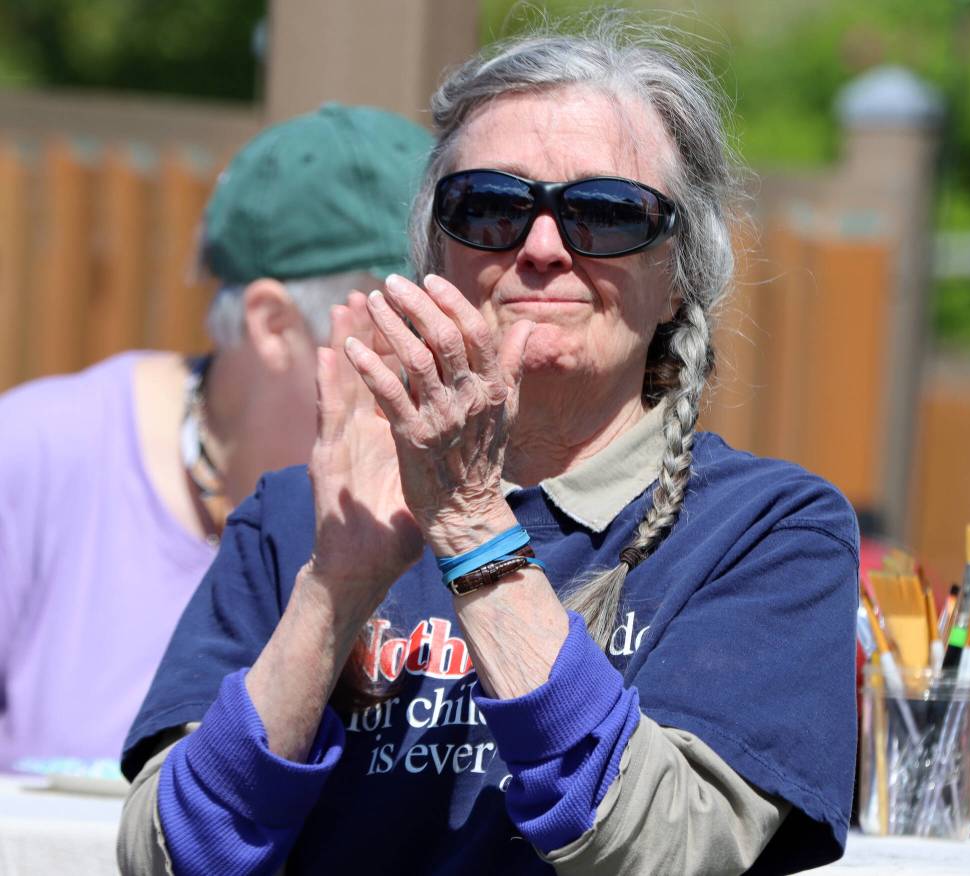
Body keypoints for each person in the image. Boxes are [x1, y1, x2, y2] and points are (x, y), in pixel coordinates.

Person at [119, 19, 859, 876]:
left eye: (607, 214)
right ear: (437, 248)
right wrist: (334, 592)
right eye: (492, 207)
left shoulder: (767, 530)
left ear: (679, 277)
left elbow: (665, 851)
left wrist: (472, 524)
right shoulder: (301, 518)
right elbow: (173, 856)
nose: (542, 249)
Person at [0, 103, 433, 771]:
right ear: (272, 324)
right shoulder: (36, 453)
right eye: (401, 320)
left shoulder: (446, 503)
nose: (438, 353)